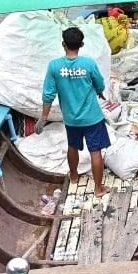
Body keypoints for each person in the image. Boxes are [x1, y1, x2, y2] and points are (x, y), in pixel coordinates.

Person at [35, 27, 111, 199]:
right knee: (95, 151)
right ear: (82, 44)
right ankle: (99, 189)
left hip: (71, 119)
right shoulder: (89, 64)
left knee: (72, 146)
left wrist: (44, 117)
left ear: (63, 44)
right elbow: (100, 84)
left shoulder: (54, 66)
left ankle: (74, 176)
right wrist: (99, 90)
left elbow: (48, 94)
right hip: (92, 117)